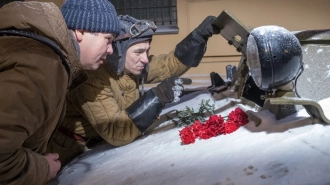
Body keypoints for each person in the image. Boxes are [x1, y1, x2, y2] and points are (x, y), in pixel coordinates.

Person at [47, 15, 217, 166]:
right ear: (118, 53)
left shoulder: (129, 67)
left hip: (98, 146)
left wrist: (198, 37)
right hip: (67, 154)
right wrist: (158, 96)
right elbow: (117, 131)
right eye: (138, 52)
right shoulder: (91, 78)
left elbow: (167, 66)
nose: (145, 58)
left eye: (147, 51)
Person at [0, 0, 119, 184]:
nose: (111, 50)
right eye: (108, 40)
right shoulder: (42, 67)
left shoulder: (42, 56)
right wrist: (43, 168)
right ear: (81, 31)